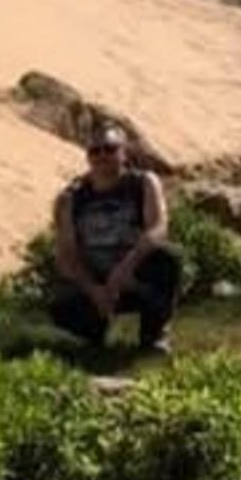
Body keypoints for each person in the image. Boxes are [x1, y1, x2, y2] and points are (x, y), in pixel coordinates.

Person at [48, 125, 181, 354]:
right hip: (94, 278)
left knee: (166, 260)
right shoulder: (72, 197)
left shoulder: (142, 183)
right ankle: (95, 336)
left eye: (109, 149)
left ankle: (153, 334)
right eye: (95, 151)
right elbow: (66, 254)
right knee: (59, 299)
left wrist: (125, 269)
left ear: (124, 153)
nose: (102, 156)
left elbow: (157, 228)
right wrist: (93, 289)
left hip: (133, 273)